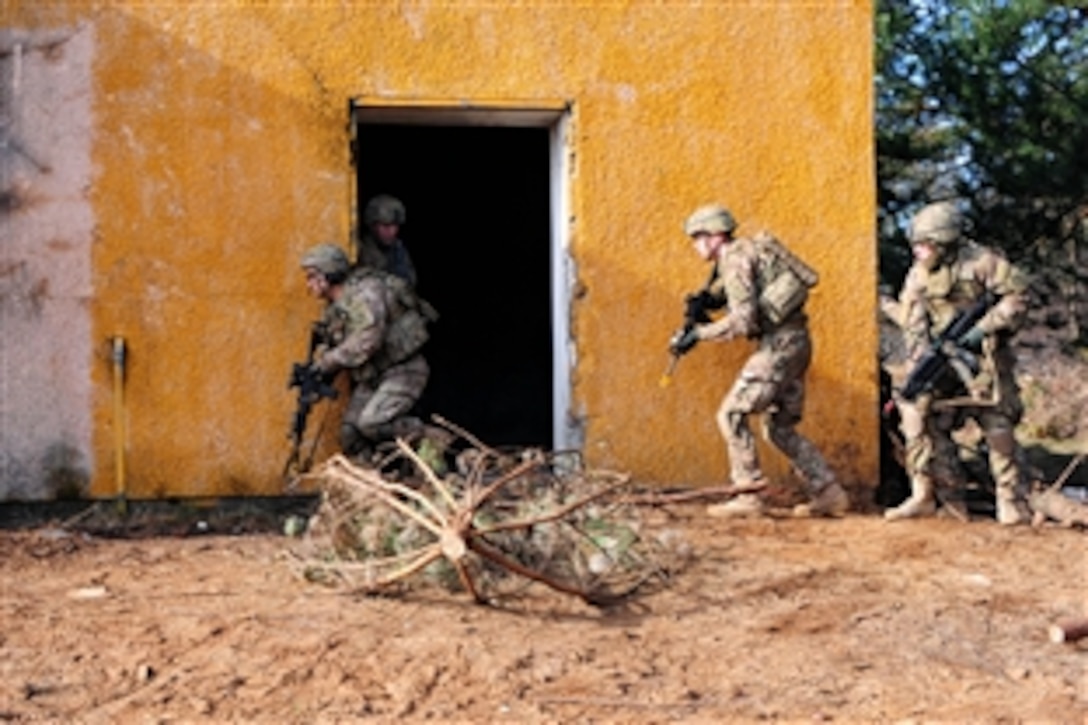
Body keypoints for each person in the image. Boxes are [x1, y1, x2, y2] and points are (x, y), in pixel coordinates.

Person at [671, 203, 849, 518]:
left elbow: (743, 320)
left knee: (732, 413)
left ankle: (748, 493)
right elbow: (746, 298)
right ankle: (829, 492)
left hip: (779, 347)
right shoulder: (748, 250)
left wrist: (700, 334)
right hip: (797, 343)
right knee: (779, 428)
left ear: (714, 236)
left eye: (697, 237)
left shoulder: (735, 258)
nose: (694, 245)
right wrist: (710, 303)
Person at [884, 200, 1031, 524]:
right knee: (918, 413)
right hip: (943, 355)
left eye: (927, 245)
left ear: (946, 242)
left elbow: (1018, 296)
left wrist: (984, 328)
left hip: (985, 356)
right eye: (917, 245)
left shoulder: (982, 261)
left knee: (996, 421)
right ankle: (939, 497)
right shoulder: (918, 274)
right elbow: (913, 319)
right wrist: (920, 356)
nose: (920, 252)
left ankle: (1011, 501)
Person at [300, 243, 433, 463]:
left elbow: (367, 340)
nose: (309, 284)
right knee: (349, 433)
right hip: (373, 376)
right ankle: (373, 476)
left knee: (373, 423)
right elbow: (337, 344)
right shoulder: (336, 307)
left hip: (402, 370)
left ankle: (430, 437)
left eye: (313, 276)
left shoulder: (366, 293)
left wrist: (328, 362)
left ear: (329, 275)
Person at [355, 194, 417, 287]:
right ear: (373, 226)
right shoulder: (361, 250)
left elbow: (410, 281)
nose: (390, 231)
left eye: (394, 226)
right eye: (385, 226)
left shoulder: (398, 249)